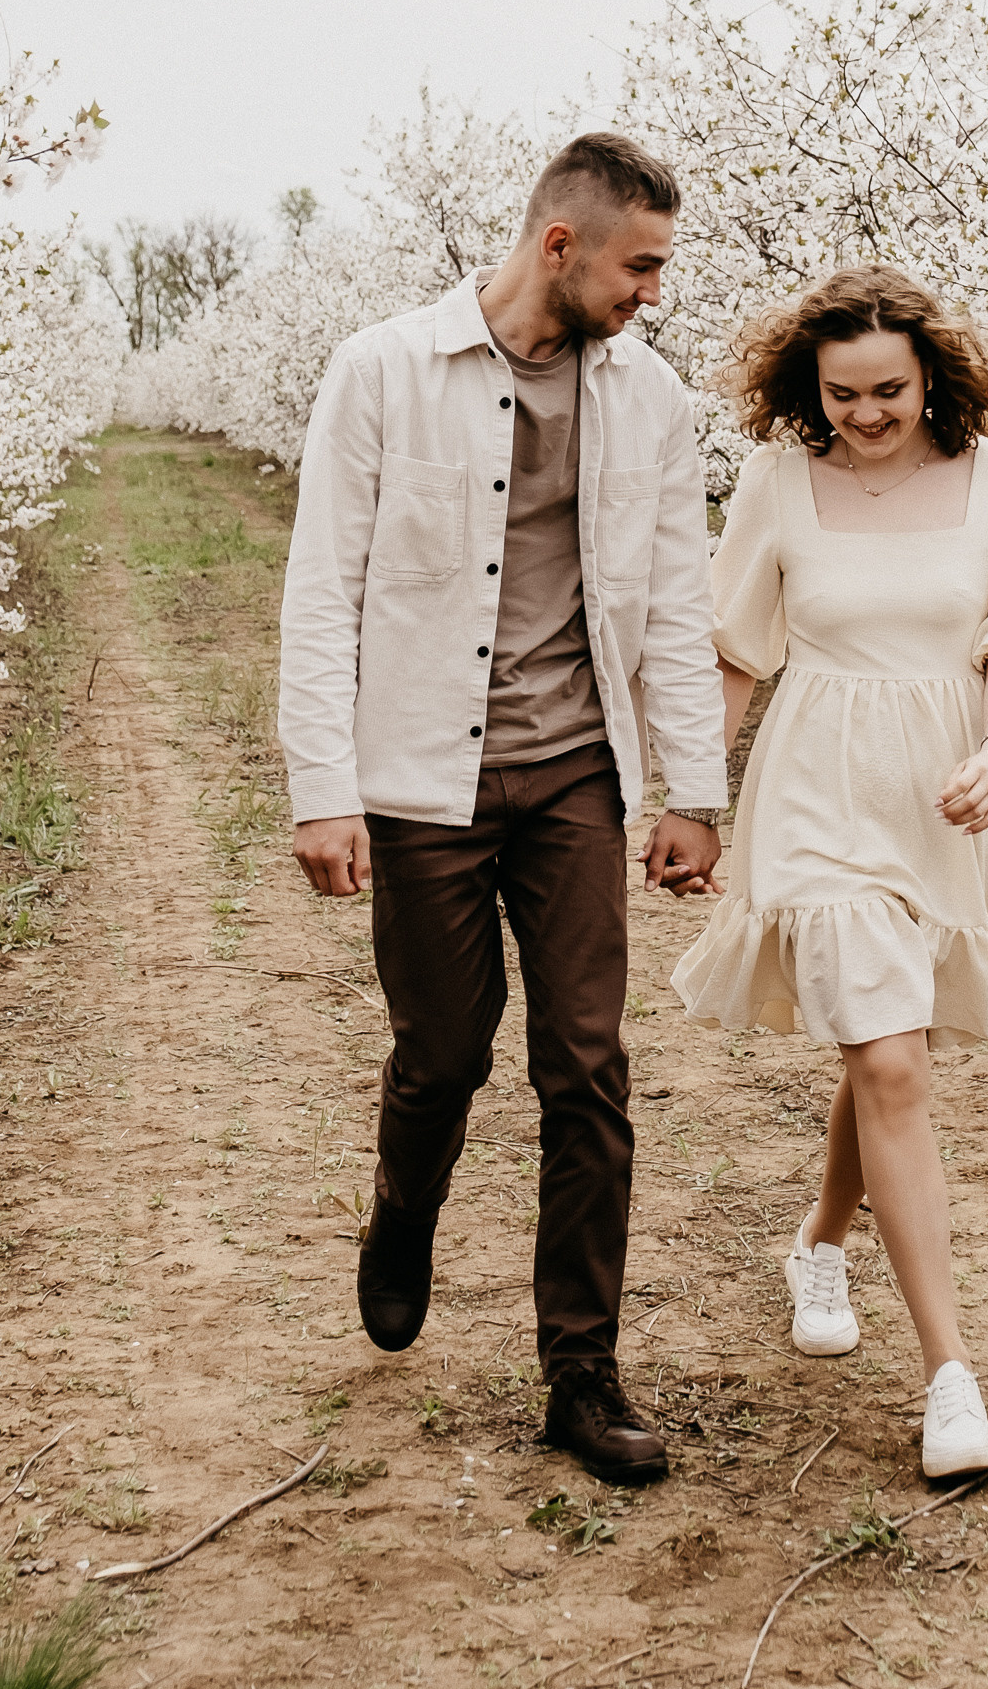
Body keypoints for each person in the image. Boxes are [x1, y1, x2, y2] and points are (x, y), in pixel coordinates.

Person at [278, 131, 732, 1486]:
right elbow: (321, 593)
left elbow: (668, 607)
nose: (652, 290)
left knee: (586, 1066)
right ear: (561, 246)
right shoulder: (383, 371)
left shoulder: (648, 401)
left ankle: (579, 1374)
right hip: (420, 782)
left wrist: (694, 791)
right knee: (442, 1054)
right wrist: (324, 789)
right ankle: (402, 1212)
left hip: (575, 781)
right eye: (638, 265)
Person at [671, 263, 988, 1480]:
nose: (866, 415)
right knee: (886, 1053)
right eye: (841, 394)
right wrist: (688, 799)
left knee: (892, 1040)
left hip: (949, 789)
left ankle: (820, 1236)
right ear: (804, 388)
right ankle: (949, 1377)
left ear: (933, 376)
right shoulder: (778, 482)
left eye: (888, 390)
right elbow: (733, 653)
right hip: (818, 782)